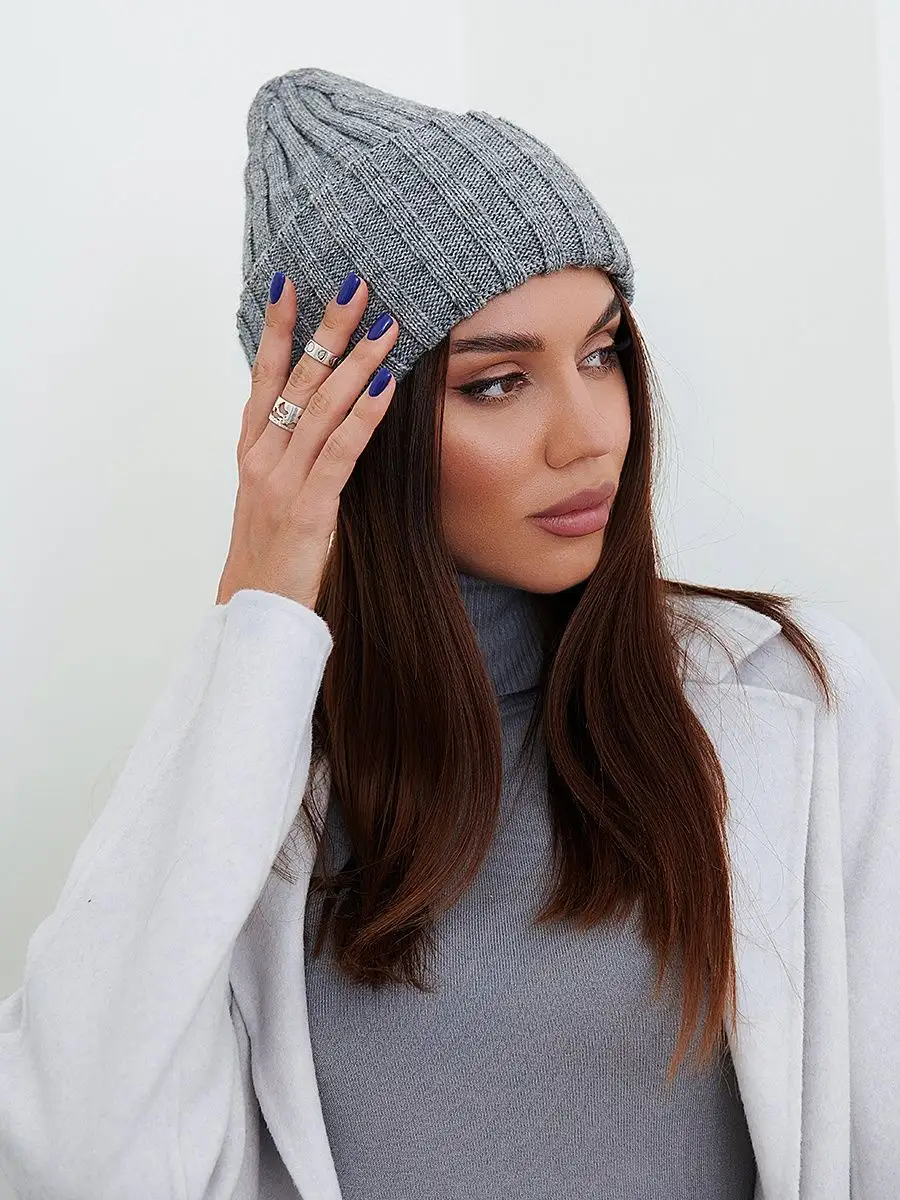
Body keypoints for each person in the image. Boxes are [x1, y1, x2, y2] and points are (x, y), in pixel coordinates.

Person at [0, 65, 897, 1200]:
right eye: (497, 383)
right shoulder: (255, 781)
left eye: (602, 354)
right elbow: (69, 1152)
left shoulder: (788, 703)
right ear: (349, 424)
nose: (590, 435)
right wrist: (258, 606)